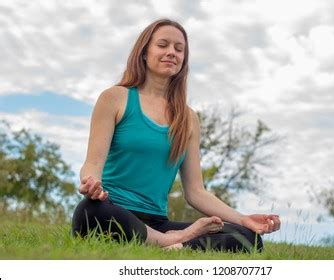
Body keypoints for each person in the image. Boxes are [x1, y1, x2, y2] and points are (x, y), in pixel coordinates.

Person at [72, 18, 280, 252]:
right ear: (144, 52)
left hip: (158, 222)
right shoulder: (115, 98)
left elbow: (195, 192)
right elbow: (92, 164)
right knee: (90, 211)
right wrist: (91, 183)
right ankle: (173, 242)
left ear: (183, 60)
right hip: (114, 212)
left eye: (179, 49)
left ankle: (173, 243)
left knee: (247, 238)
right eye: (163, 45)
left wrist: (243, 219)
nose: (171, 52)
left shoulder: (188, 119)